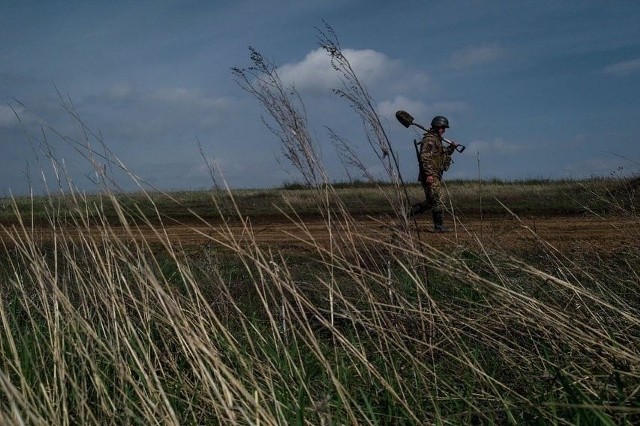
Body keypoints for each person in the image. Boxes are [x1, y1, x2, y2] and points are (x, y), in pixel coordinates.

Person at [409, 115, 457, 232]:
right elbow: (425, 158)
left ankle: (406, 215)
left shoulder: (436, 140)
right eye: (442, 128)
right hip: (430, 175)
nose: (444, 130)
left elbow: (441, 156)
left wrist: (451, 148)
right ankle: (439, 227)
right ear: (437, 127)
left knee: (431, 202)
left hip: (434, 174)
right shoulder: (429, 140)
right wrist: (429, 174)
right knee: (438, 199)